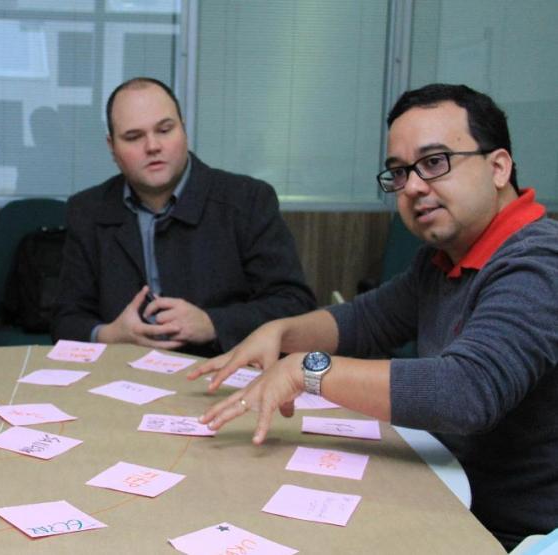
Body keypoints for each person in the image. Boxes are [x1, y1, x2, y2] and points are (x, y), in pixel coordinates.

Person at [191, 83, 558, 550]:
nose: (414, 187)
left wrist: (308, 370)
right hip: (441, 490)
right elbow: (365, 320)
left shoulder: (538, 261)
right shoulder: (442, 257)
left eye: (435, 162)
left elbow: (467, 391)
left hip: (510, 533)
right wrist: (281, 331)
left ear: (498, 167)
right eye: (400, 172)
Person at [52, 78, 315, 357]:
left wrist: (213, 323)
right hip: (121, 370)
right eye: (133, 137)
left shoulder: (248, 200)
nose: (152, 146)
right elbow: (65, 320)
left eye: (165, 130)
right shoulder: (87, 210)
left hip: (221, 367)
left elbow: (295, 305)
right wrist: (108, 335)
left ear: (183, 129)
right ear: (112, 147)